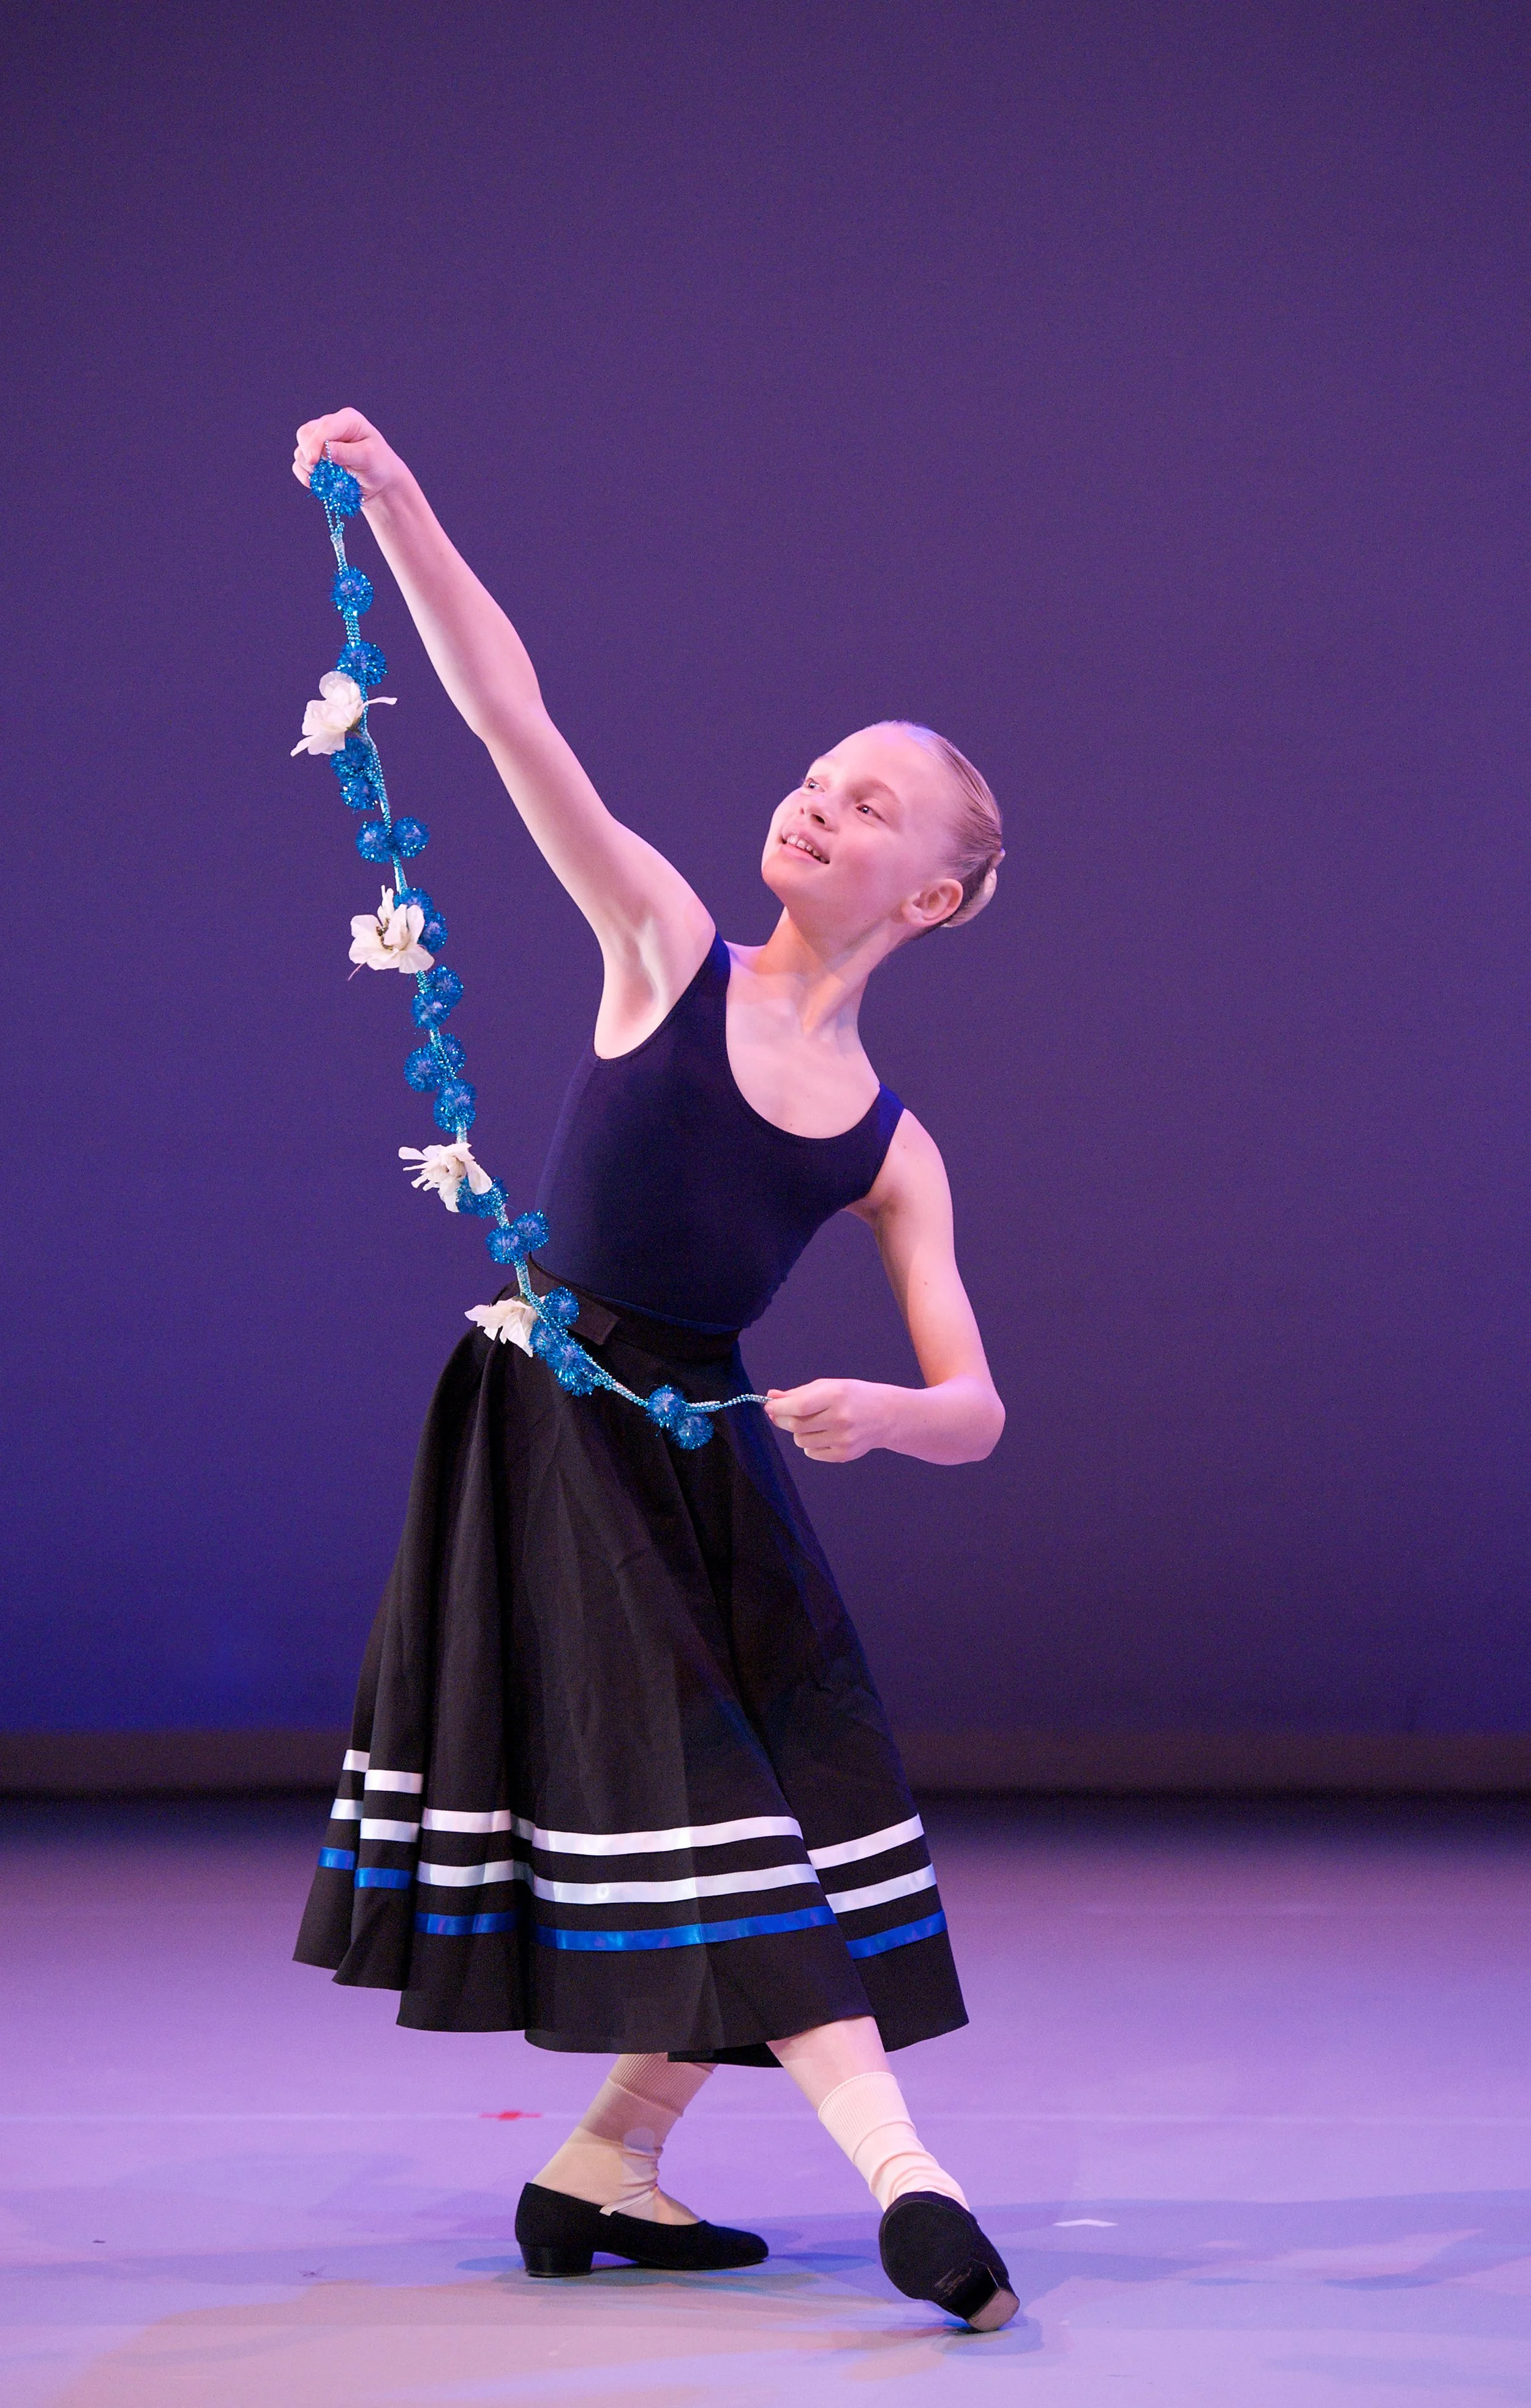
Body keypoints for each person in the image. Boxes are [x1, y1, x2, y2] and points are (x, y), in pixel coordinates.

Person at [290, 408, 1017, 2333]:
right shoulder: (663, 945)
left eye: (869, 806)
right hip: (560, 1422)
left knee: (795, 1793)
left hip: (704, 1447)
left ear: (931, 897)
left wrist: (885, 1414)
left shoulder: (892, 1145)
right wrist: (405, 504)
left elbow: (974, 1404)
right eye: (816, 778)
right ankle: (912, 2181)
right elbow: (507, 716)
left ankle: (602, 2157)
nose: (818, 806)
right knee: (728, 1802)